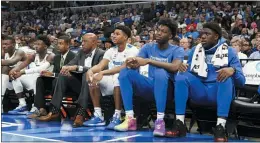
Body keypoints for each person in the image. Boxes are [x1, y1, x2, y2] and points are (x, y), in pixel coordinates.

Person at [167, 22, 245, 142]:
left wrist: (233, 70)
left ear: (216, 36)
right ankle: (179, 123)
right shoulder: (194, 50)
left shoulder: (229, 52)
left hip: (219, 92)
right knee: (182, 75)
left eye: (207, 34)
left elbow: (242, 82)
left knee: (225, 76)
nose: (202, 36)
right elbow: (188, 73)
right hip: (200, 91)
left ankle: (220, 127)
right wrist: (183, 67)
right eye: (201, 34)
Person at [114, 18, 184, 137]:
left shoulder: (177, 49)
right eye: (158, 30)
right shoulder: (148, 47)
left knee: (160, 73)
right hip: (150, 87)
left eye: (163, 31)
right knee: (125, 73)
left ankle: (160, 121)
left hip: (168, 90)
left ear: (171, 35)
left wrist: (149, 61)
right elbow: (138, 64)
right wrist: (132, 63)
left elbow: (174, 67)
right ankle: (130, 118)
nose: (159, 33)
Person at [37, 33, 105, 129]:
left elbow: (98, 69)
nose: (82, 44)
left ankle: (81, 113)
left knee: (88, 74)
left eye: (85, 41)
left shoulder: (101, 54)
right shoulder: (81, 52)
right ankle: (54, 111)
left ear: (94, 42)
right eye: (82, 41)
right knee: (63, 74)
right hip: (79, 85)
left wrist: (77, 67)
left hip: (94, 87)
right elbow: (70, 64)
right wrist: (66, 68)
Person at [84, 25, 139, 129]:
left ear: (126, 37)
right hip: (112, 80)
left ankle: (117, 115)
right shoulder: (111, 50)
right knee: (93, 78)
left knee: (119, 76)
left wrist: (103, 73)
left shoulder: (133, 50)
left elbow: (123, 67)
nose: (113, 36)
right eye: (113, 33)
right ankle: (98, 115)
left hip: (128, 83)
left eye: (117, 34)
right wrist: (90, 70)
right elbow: (100, 65)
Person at [27, 35, 75, 119]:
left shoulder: (73, 56)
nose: (58, 45)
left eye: (61, 43)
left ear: (68, 45)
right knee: (40, 79)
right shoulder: (56, 57)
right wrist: (48, 73)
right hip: (57, 81)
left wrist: (53, 75)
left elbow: (70, 74)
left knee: (55, 81)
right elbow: (56, 72)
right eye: (57, 43)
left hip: (69, 83)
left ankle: (54, 111)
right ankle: (41, 109)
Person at [8, 35, 55, 115]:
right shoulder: (33, 55)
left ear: (45, 46)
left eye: (38, 44)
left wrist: (22, 72)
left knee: (38, 78)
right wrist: (14, 70)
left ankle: (36, 106)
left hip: (46, 82)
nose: (35, 46)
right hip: (34, 81)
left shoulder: (51, 56)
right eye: (35, 44)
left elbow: (41, 69)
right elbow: (22, 64)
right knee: (15, 77)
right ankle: (22, 104)